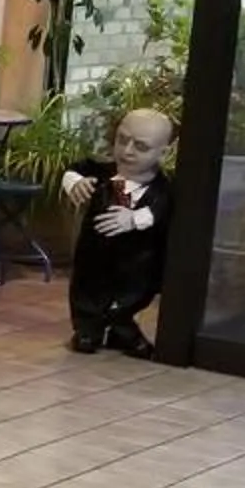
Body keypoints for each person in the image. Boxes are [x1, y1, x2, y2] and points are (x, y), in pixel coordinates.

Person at [61, 108, 175, 355]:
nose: (127, 151)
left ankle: (121, 326)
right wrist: (75, 183)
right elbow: (74, 169)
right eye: (122, 140)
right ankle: (87, 330)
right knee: (87, 287)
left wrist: (135, 219)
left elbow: (165, 208)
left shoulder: (162, 188)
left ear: (162, 153)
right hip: (94, 252)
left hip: (137, 258)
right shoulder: (101, 171)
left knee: (132, 293)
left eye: (140, 147)